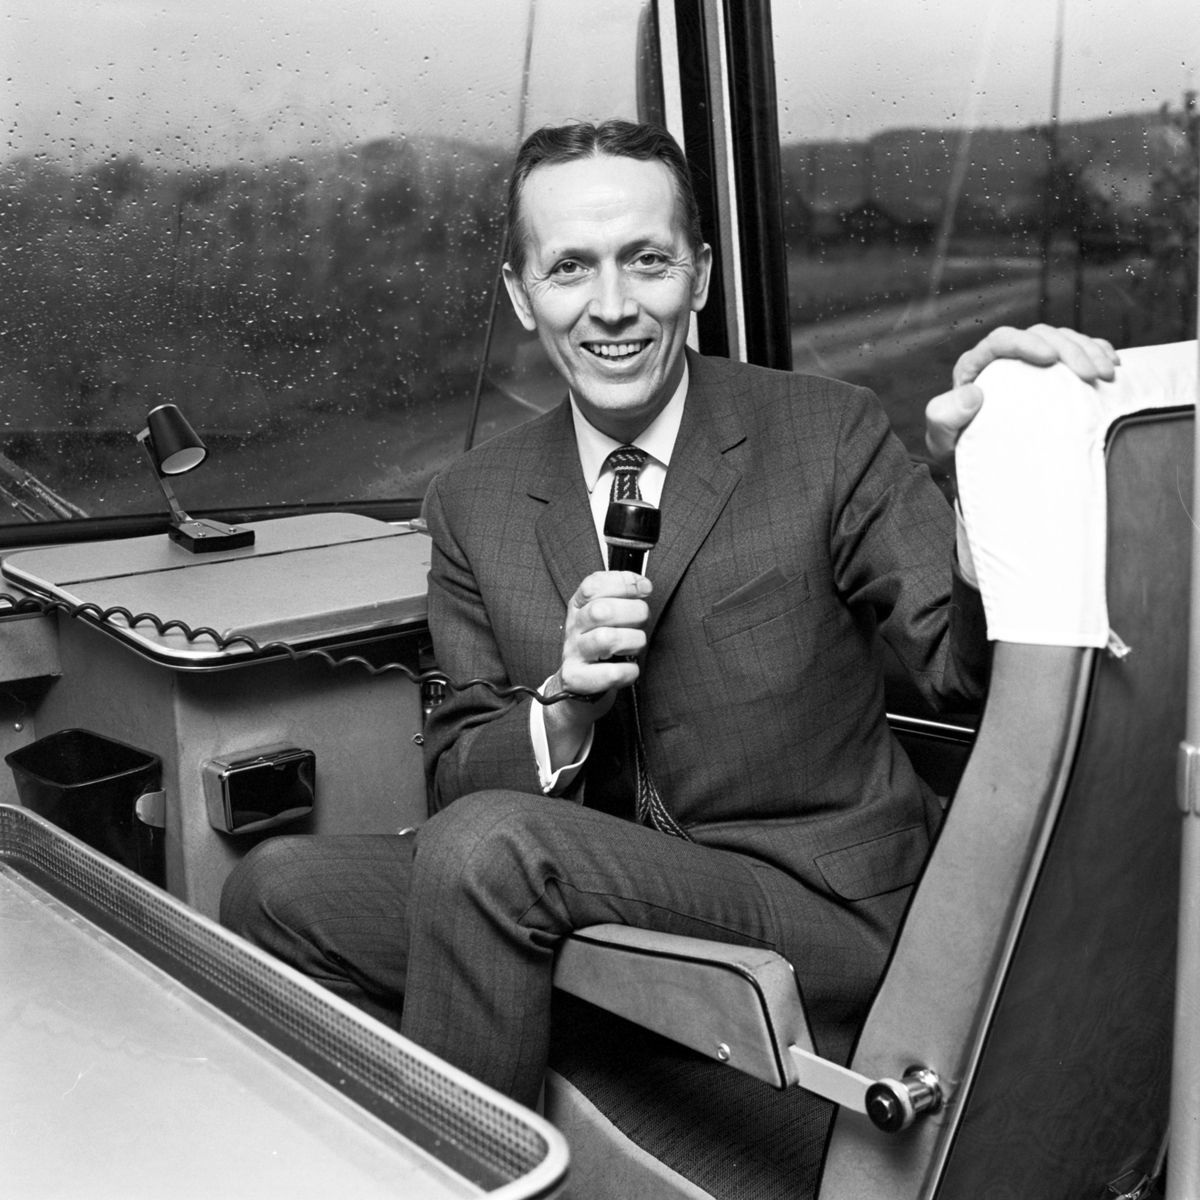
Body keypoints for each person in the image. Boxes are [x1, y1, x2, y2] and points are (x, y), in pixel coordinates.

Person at [221, 120, 1118, 1109]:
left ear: (700, 274)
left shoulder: (829, 432)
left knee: (488, 850)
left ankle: (487, 1153)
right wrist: (563, 708)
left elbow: (965, 673)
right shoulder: (473, 501)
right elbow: (460, 768)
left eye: (646, 260)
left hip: (815, 901)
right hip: (595, 886)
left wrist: (992, 492)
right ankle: (557, 1066)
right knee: (275, 890)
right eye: (570, 268)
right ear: (522, 294)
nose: (612, 307)